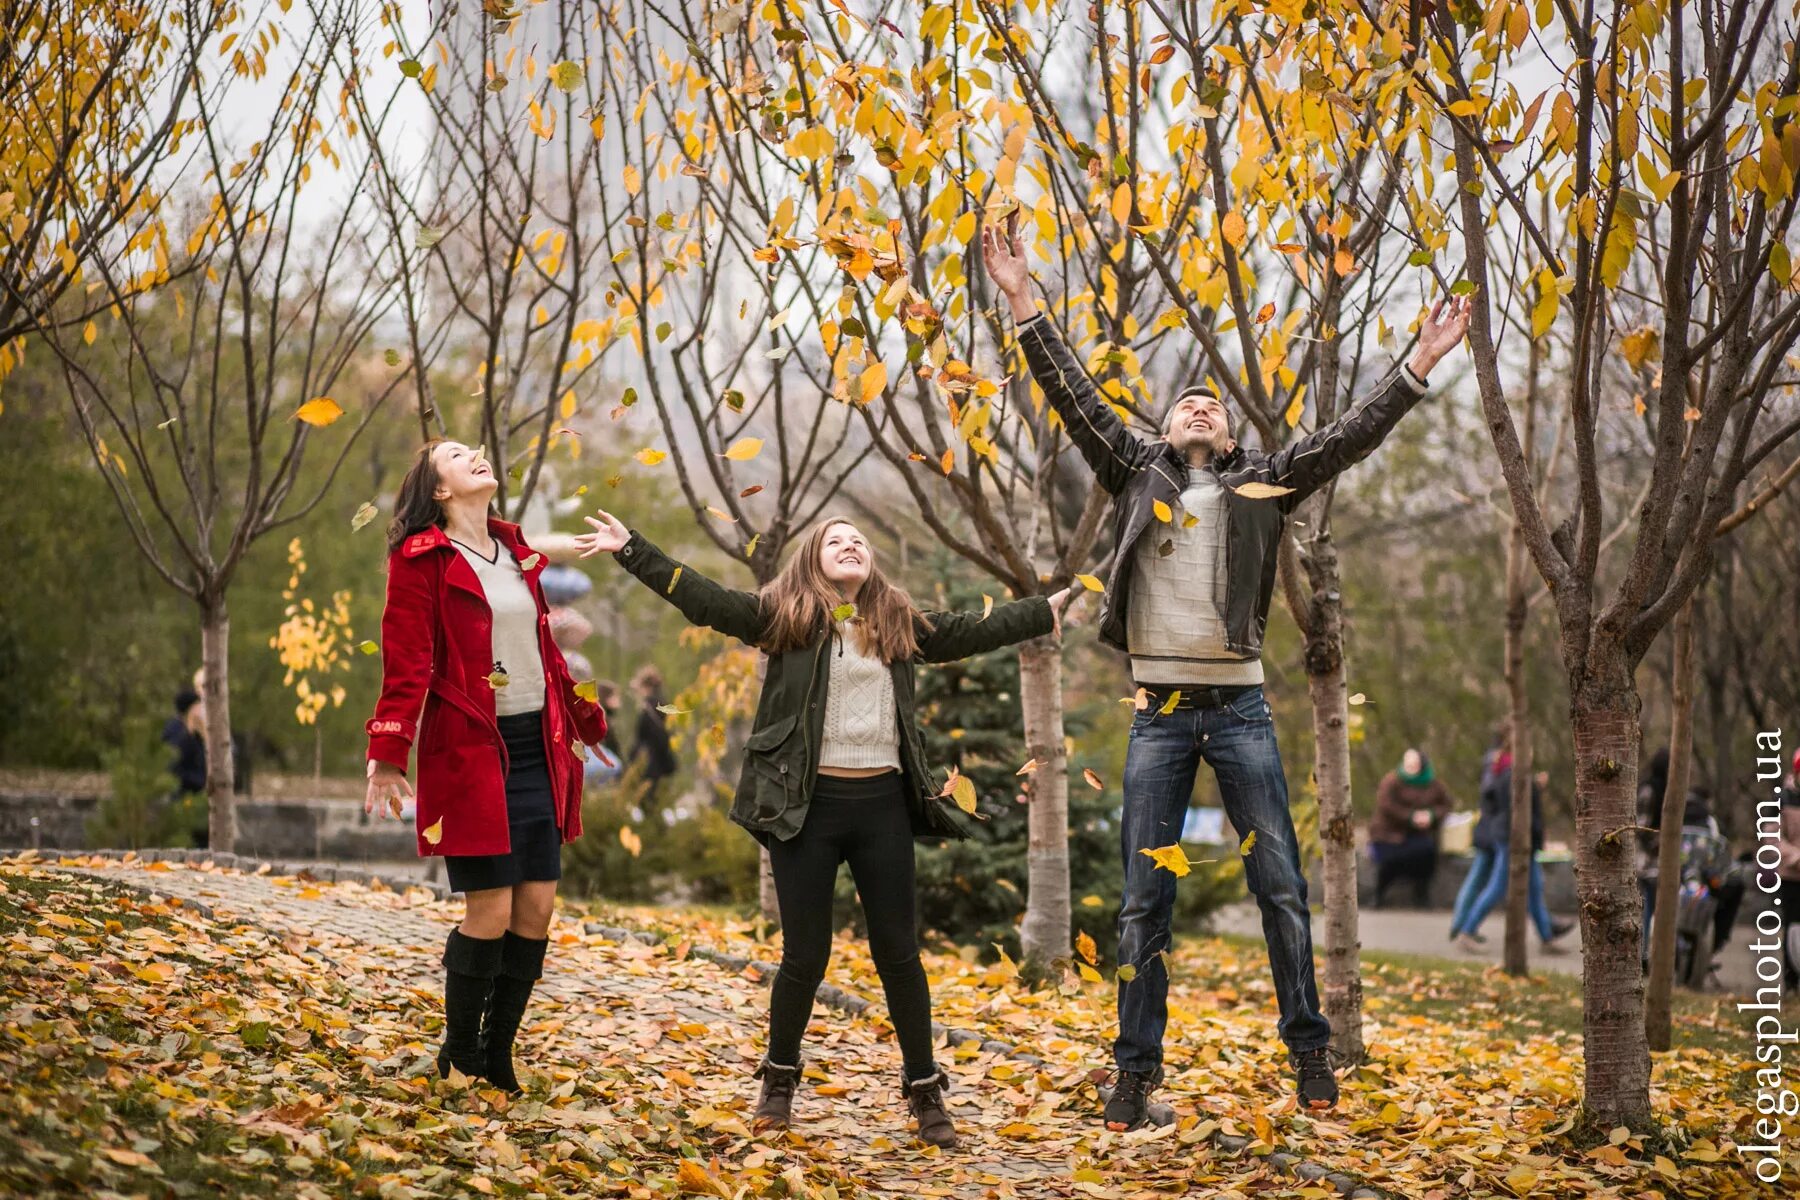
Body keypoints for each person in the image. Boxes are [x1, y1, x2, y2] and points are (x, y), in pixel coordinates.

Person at [982, 213, 1472, 1123]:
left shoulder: (1261, 485)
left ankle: (1311, 1058)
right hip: (1159, 711)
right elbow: (1077, 396)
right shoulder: (1135, 469)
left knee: (1281, 888)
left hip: (1241, 713)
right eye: (1185, 403)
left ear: (1237, 435)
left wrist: (1418, 365)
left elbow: (1346, 437)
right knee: (1142, 903)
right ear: (1165, 430)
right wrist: (1023, 301)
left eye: (1213, 403)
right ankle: (1134, 1074)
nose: (1199, 405)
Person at [576, 510, 1065, 1149]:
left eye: (859, 539)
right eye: (836, 540)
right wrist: (632, 547)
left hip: (883, 806)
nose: (851, 545)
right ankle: (778, 1081)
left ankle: (924, 1091)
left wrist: (1041, 612)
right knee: (806, 955)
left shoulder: (896, 623)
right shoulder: (786, 618)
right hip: (805, 808)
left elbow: (973, 628)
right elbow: (705, 600)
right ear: (813, 560)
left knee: (899, 953)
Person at [363, 439, 609, 1094]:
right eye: (454, 453)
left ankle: (497, 1052)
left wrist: (581, 714)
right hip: (470, 750)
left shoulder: (517, 553)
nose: (474, 453)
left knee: (535, 910)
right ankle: (462, 1052)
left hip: (537, 746)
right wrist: (387, 754)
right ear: (437, 489)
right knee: (490, 911)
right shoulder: (420, 561)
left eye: (473, 447)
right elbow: (407, 661)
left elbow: (543, 649)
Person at [1447, 732, 1573, 950]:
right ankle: (1467, 930)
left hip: (1523, 839)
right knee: (1497, 886)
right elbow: (1516, 811)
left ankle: (1546, 937)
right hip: (1513, 839)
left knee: (1534, 889)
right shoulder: (1512, 776)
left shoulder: (1512, 775)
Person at [1369, 749, 1452, 909]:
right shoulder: (1392, 781)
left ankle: (1421, 894)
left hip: (1419, 835)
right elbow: (1386, 805)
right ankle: (1379, 894)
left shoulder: (1434, 784)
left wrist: (1431, 815)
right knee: (1389, 860)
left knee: (1428, 854)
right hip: (1390, 834)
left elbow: (1445, 805)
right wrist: (1411, 816)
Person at [628, 665, 679, 801]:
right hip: (661, 764)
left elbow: (645, 736)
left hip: (649, 765)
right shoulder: (664, 705)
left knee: (647, 801)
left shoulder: (648, 709)